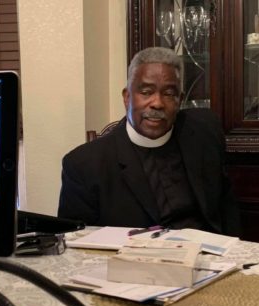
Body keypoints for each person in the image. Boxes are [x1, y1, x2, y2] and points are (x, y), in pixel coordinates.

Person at [57, 47, 241, 236]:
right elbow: (75, 243)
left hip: (207, 256)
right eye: (146, 92)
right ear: (127, 98)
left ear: (180, 100)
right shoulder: (84, 165)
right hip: (130, 261)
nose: (157, 103)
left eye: (169, 94)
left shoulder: (204, 134)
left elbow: (227, 210)